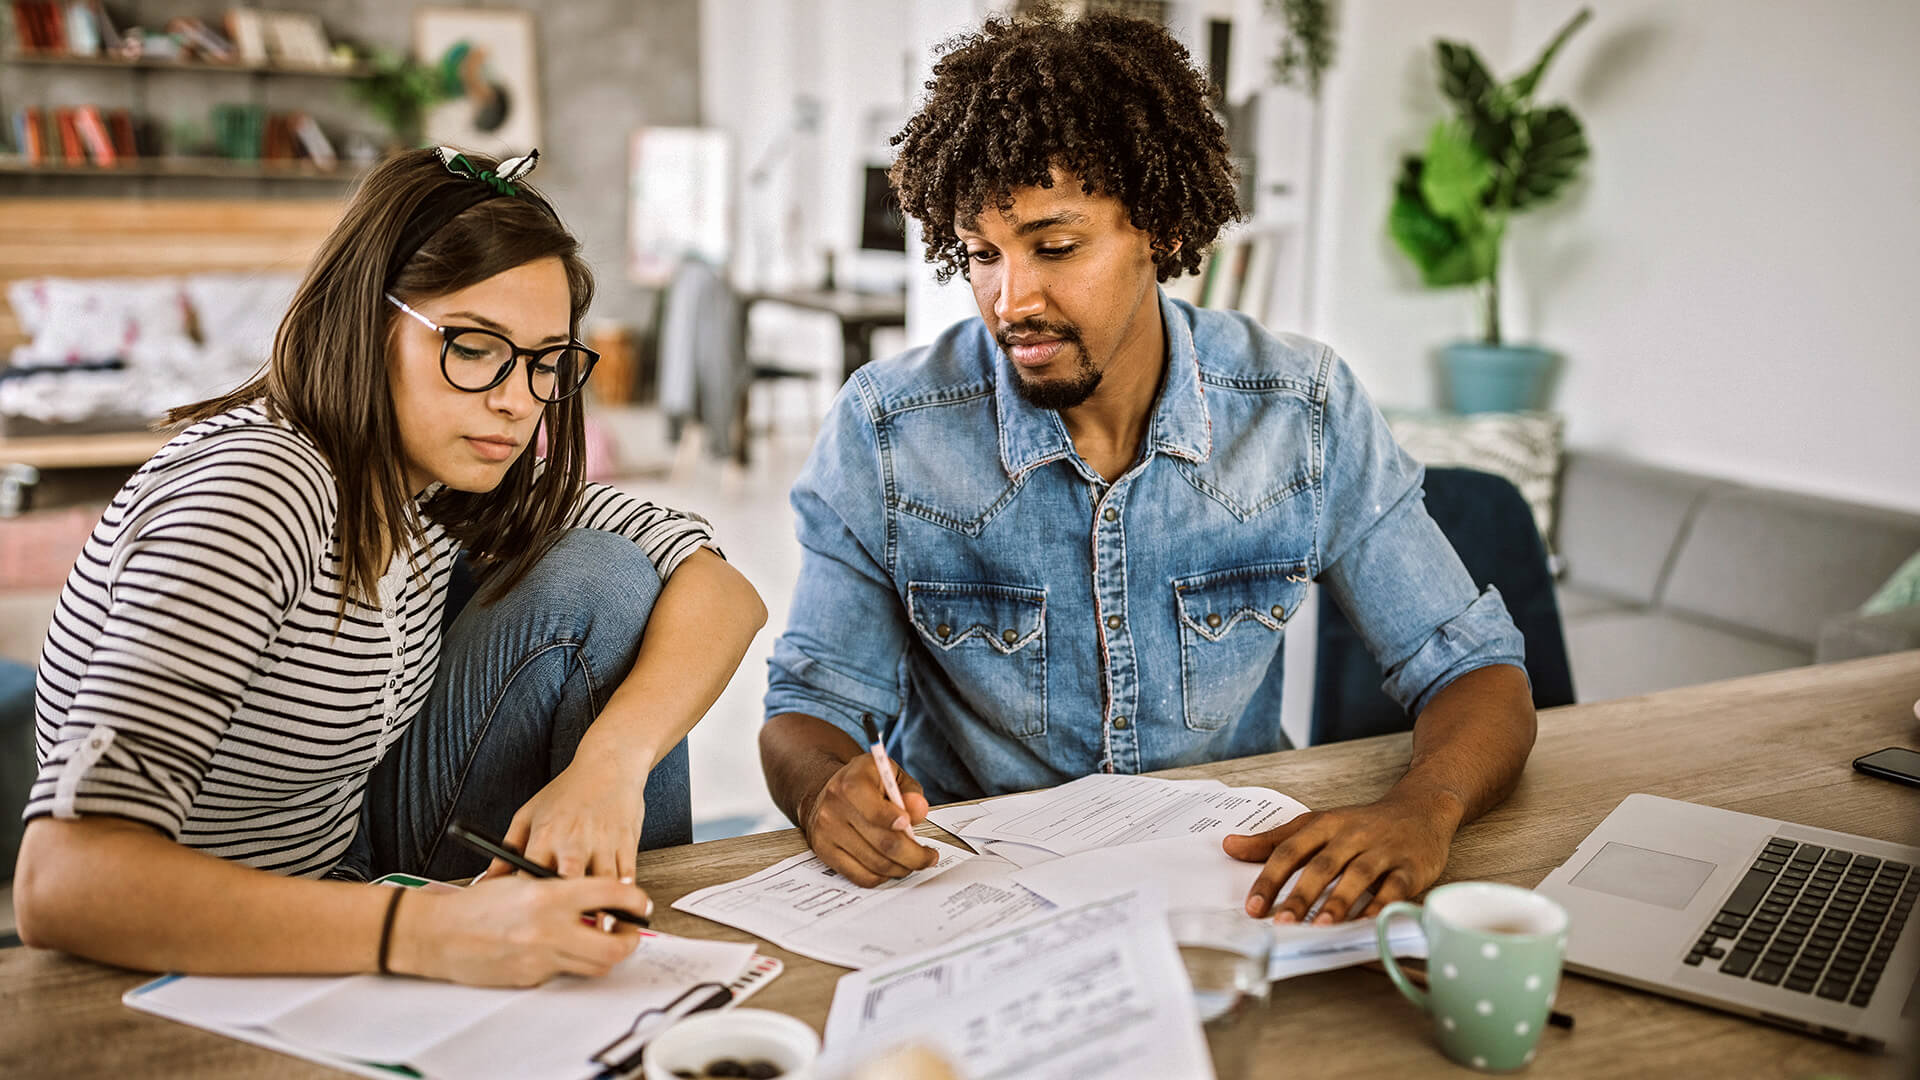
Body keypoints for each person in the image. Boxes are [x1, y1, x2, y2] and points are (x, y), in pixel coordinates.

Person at [760, 11, 1536, 926]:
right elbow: (808, 708)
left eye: (1055, 247)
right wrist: (823, 792)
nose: (1012, 301)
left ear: (1160, 230)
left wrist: (1423, 812)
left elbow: (1476, 670)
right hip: (975, 900)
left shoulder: (1300, 412)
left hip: (1227, 889)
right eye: (981, 256)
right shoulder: (890, 431)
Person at [14, 147, 766, 987]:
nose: (518, 400)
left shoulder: (443, 478)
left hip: (352, 857)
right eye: (475, 347)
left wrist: (608, 769)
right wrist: (437, 932)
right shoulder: (258, 491)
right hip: (202, 933)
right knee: (604, 581)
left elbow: (721, 589)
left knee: (611, 576)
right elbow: (60, 882)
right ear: (370, 321)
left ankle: (636, 978)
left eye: (547, 360)